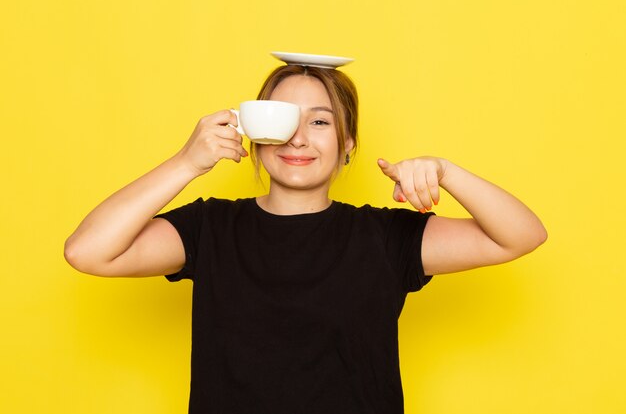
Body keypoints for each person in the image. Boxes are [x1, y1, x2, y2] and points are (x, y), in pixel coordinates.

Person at [64, 60, 547, 414]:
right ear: (255, 135)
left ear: (348, 144)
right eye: (283, 121)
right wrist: (186, 163)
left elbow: (521, 236)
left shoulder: (384, 238)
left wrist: (446, 172)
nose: (298, 139)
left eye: (319, 121)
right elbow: (87, 251)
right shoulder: (210, 229)